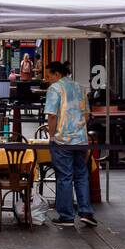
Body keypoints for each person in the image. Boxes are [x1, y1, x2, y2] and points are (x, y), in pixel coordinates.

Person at [44, 60, 95, 229]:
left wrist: (51, 135)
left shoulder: (55, 89)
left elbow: (51, 115)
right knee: (81, 175)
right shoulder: (80, 88)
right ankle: (86, 211)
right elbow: (87, 115)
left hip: (62, 139)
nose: (47, 79)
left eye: (49, 75)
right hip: (80, 140)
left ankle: (66, 215)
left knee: (64, 176)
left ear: (57, 74)